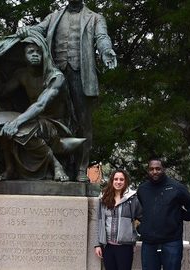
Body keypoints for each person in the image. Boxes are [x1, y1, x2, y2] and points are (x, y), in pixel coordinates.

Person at [17, 0, 117, 181]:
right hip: (55, 73)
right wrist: (25, 30)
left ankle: (80, 169)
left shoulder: (95, 18)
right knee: (54, 119)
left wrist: (106, 51)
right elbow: (37, 30)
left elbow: (102, 37)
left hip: (81, 74)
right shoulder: (54, 16)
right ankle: (56, 166)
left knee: (83, 123)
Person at [0, 30, 84, 181]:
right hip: (33, 120)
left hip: (55, 124)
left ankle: (56, 164)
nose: (35, 54)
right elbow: (1, 93)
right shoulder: (22, 74)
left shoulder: (56, 77)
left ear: (44, 54)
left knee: (25, 129)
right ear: (23, 56)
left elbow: (40, 104)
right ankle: (10, 168)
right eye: (30, 51)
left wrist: (17, 122)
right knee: (2, 127)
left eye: (38, 51)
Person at [137, 158, 190, 270]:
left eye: (158, 169)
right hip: (149, 243)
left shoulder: (177, 187)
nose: (154, 172)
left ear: (163, 169)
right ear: (148, 171)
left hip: (171, 241)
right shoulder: (142, 189)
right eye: (151, 169)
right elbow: (144, 210)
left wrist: (179, 215)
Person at [94, 169, 142, 270]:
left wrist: (135, 235)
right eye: (116, 179)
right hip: (107, 246)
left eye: (121, 179)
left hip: (125, 246)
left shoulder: (132, 199)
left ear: (125, 182)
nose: (118, 182)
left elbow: (142, 218)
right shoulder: (104, 198)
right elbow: (98, 222)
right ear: (112, 181)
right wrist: (97, 244)